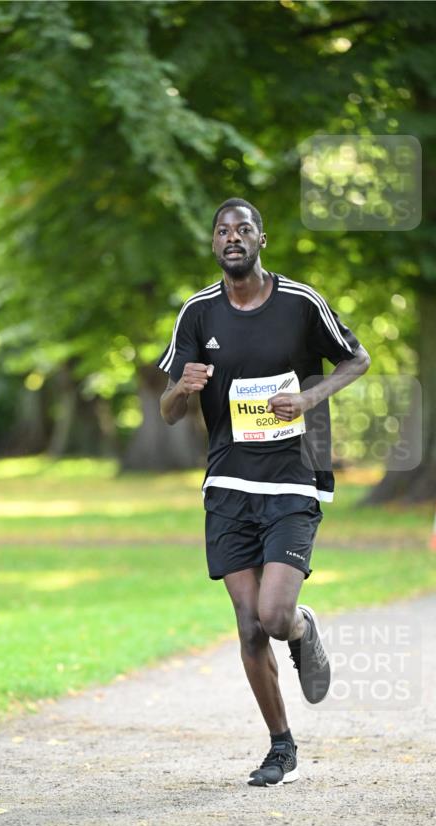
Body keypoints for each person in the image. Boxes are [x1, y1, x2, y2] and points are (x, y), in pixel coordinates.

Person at [158, 197, 370, 787]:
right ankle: (281, 745)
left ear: (261, 239)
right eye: (223, 229)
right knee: (249, 625)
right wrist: (183, 387)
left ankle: (303, 627)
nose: (233, 237)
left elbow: (358, 358)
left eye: (243, 229)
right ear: (213, 244)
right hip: (227, 484)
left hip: (292, 477)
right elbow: (170, 411)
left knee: (275, 615)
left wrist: (307, 398)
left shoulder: (301, 302)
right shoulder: (197, 313)